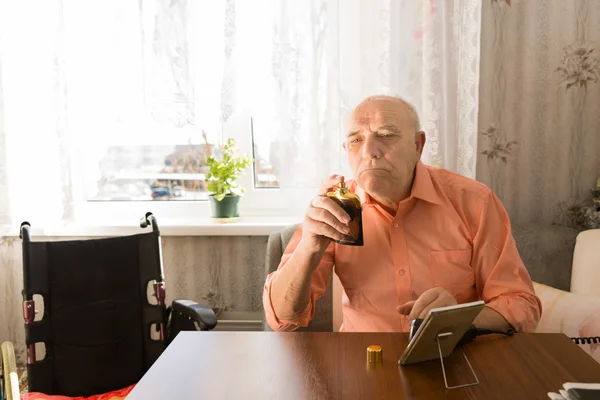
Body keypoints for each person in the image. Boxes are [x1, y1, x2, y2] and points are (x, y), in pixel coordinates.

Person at [263, 95, 542, 333]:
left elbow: (521, 305)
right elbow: (283, 318)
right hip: (362, 364)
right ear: (346, 150)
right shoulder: (334, 207)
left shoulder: (474, 203)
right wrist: (309, 247)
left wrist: (460, 317)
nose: (370, 151)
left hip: (451, 361)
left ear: (418, 146)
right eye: (356, 140)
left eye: (386, 136)